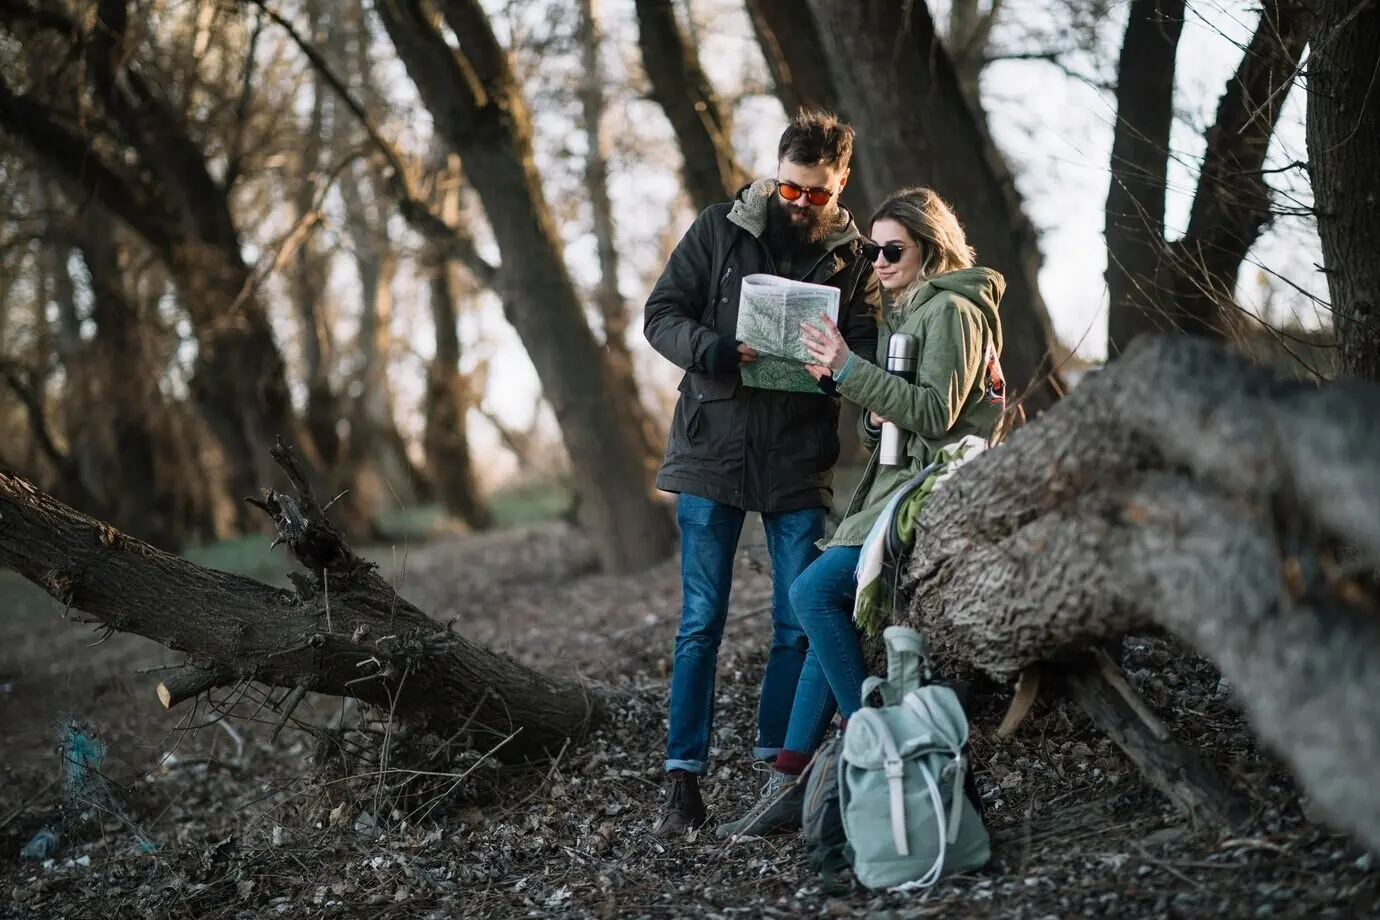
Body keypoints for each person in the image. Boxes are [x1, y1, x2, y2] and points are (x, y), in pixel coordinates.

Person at [715, 185, 1008, 839]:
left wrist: (851, 369)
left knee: (813, 593)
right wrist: (870, 406)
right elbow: (894, 428)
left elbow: (937, 416)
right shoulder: (908, 314)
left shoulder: (954, 309)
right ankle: (789, 780)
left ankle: (873, 739)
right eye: (872, 250)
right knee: (826, 622)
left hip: (932, 493)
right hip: (892, 486)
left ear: (930, 247)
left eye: (891, 249)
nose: (876, 261)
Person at [642, 109, 883, 836]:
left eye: (817, 193)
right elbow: (659, 314)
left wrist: (841, 363)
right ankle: (682, 779)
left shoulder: (858, 259)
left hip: (798, 458)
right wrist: (713, 348)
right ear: (777, 172)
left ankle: (775, 769)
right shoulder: (719, 227)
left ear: (841, 182)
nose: (801, 204)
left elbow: (867, 357)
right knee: (699, 622)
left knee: (793, 618)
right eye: (790, 189)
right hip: (710, 445)